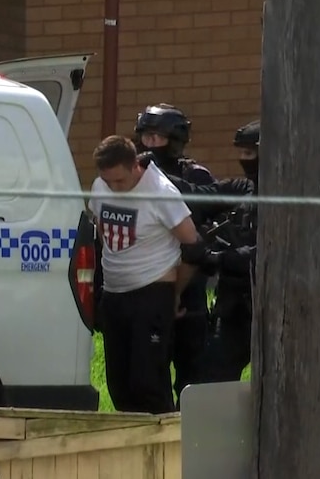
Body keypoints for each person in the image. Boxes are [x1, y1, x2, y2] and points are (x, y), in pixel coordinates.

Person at [88, 135, 200, 414]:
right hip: (115, 294)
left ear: (135, 165)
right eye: (108, 181)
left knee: (147, 381)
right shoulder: (100, 186)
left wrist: (174, 292)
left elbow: (192, 243)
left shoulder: (160, 192)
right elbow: (103, 232)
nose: (114, 188)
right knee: (118, 384)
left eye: (120, 181)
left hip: (152, 292)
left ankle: (166, 445)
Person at [133, 103, 215, 406]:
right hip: (150, 285)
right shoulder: (134, 177)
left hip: (188, 285)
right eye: (147, 137)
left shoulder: (196, 177)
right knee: (150, 374)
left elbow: (200, 224)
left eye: (158, 137)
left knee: (192, 373)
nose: (151, 144)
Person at [180, 119, 260, 383]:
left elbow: (267, 254)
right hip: (233, 306)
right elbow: (199, 195)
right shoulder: (244, 190)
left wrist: (218, 259)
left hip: (271, 306)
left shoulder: (290, 199)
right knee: (211, 376)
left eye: (249, 154)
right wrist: (153, 174)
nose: (242, 160)